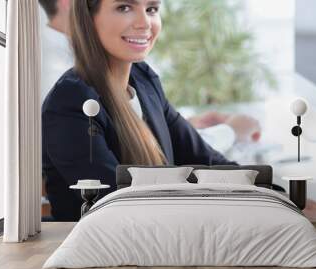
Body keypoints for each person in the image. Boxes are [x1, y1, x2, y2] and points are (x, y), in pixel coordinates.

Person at [39, 0, 261, 154]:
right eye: (124, 7)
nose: (144, 23)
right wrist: (229, 131)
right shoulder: (69, 97)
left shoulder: (143, 78)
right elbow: (117, 199)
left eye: (152, 8)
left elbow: (197, 155)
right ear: (86, 16)